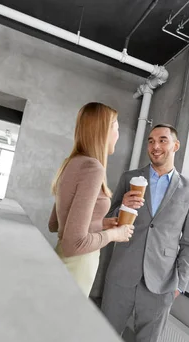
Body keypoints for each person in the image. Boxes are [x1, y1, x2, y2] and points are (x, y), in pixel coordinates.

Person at [101, 123, 189, 342]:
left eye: (163, 140)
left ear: (175, 145)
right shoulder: (130, 178)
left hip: (162, 282)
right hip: (121, 275)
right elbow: (108, 219)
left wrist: (180, 282)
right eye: (151, 141)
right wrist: (121, 205)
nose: (155, 146)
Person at [48, 102, 134, 297]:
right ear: (103, 131)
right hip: (77, 268)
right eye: (116, 129)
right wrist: (115, 235)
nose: (118, 135)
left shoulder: (70, 164)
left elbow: (55, 224)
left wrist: (101, 223)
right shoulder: (93, 169)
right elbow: (75, 243)